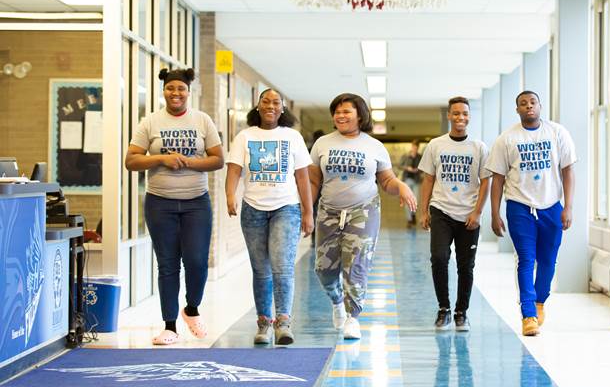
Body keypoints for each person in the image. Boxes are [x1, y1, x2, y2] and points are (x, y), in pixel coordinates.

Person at [125, 68, 223, 345]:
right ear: (163, 91)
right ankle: (169, 326)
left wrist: (188, 162)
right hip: (159, 203)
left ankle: (191, 308)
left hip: (196, 203)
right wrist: (160, 160)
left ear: (188, 91)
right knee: (167, 264)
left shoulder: (202, 120)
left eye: (181, 89)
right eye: (171, 88)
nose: (175, 93)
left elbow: (218, 160)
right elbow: (131, 160)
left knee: (196, 261)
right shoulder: (150, 122)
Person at [309, 93, 417, 340]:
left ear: (360, 115)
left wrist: (401, 186)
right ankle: (337, 300)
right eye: (337, 111)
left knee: (356, 265)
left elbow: (386, 180)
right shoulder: (322, 144)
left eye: (346, 111)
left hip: (363, 211)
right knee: (324, 269)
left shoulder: (373, 146)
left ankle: (352, 317)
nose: (340, 115)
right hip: (328, 212)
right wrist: (305, 209)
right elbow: (314, 181)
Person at [225, 88, 313, 346]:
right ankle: (264, 322)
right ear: (258, 106)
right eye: (266, 101)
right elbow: (234, 170)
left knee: (282, 266)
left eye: (276, 102)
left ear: (282, 108)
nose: (271, 106)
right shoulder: (244, 136)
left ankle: (283, 323)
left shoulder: (292, 137)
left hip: (286, 207)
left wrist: (308, 212)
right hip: (253, 208)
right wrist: (230, 195)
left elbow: (302, 177)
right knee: (260, 269)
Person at [485, 90, 575, 336]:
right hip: (519, 207)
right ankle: (528, 315)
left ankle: (539, 301)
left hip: (551, 207)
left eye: (532, 103)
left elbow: (568, 172)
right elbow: (498, 179)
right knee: (525, 259)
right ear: (517, 110)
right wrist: (495, 213)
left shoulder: (557, 133)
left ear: (540, 105)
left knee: (548, 261)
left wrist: (568, 207)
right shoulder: (507, 139)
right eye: (523, 104)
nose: (529, 107)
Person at [418, 96, 490, 332]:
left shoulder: (479, 147)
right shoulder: (436, 145)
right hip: (441, 210)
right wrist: (424, 210)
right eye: (456, 113)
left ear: (469, 116)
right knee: (439, 258)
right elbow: (428, 179)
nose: (461, 117)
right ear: (449, 115)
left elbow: (485, 182)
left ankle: (461, 312)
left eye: (465, 113)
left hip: (468, 214)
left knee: (465, 266)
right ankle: (444, 309)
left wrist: (477, 213)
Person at [400, 140, 422, 227]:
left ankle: (413, 214)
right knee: (407, 200)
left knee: (415, 199)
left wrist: (418, 170)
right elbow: (400, 165)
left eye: (416, 148)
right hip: (407, 180)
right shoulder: (406, 156)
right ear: (411, 146)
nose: (414, 149)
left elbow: (423, 167)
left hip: (416, 180)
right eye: (413, 147)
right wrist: (407, 168)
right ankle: (409, 220)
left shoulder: (420, 157)